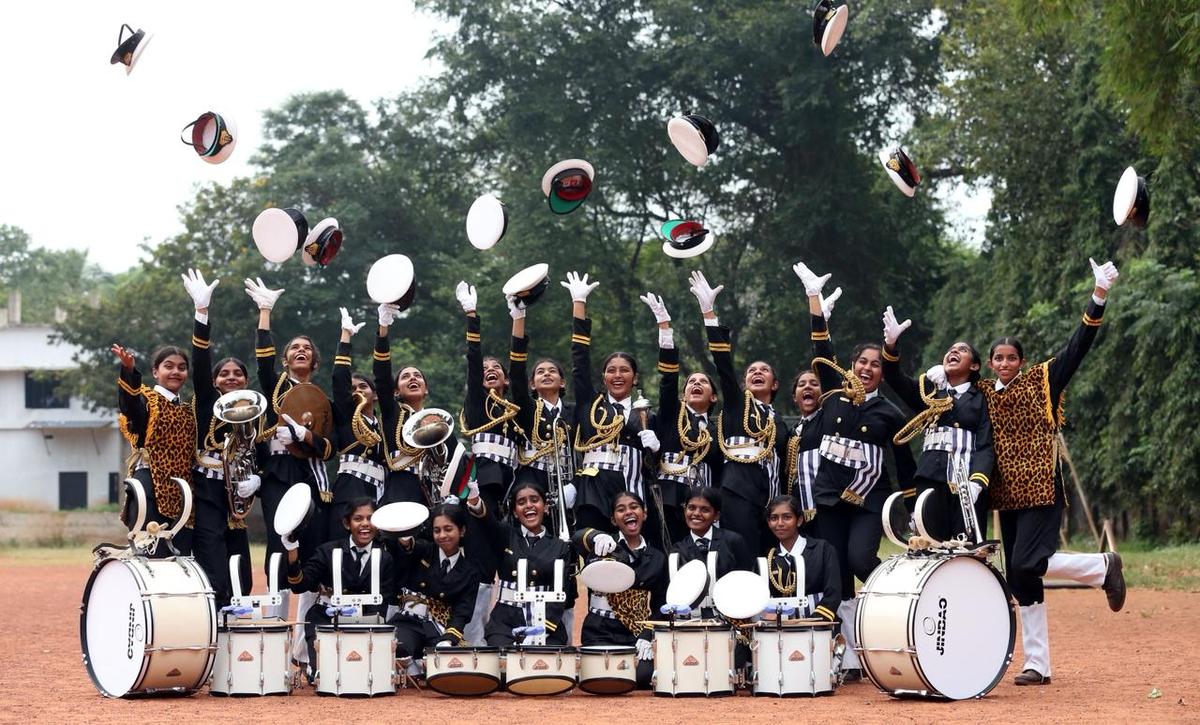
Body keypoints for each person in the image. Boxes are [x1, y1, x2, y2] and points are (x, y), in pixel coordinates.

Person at [979, 259, 1126, 686]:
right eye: (998, 358)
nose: (1005, 363)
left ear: (1022, 361)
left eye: (1012, 358)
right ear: (990, 364)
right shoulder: (984, 393)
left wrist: (1098, 295)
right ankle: (1038, 665)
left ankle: (1102, 566)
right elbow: (950, 391)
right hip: (1005, 496)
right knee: (1021, 576)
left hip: (1042, 488)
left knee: (1029, 561)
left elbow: (1079, 345)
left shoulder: (1042, 381)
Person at [794, 261, 916, 683]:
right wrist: (814, 301)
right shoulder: (832, 395)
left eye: (875, 364)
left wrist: (915, 507)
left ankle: (896, 605)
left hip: (867, 502)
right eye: (861, 362)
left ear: (883, 372)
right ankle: (849, 657)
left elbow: (904, 465)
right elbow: (820, 353)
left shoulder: (890, 412)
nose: (867, 369)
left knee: (860, 558)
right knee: (836, 573)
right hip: (828, 499)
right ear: (852, 366)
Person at [688, 271, 790, 555]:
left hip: (772, 495)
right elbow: (723, 364)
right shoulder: (736, 405)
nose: (757, 373)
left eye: (764, 370)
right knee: (742, 552)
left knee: (768, 555)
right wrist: (709, 314)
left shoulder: (779, 421)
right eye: (751, 371)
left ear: (775, 383)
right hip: (738, 490)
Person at [244, 277, 335, 574]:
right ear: (285, 360)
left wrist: (305, 435)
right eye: (294, 348)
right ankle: (276, 614)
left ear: (315, 363)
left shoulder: (322, 402)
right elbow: (263, 361)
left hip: (309, 473)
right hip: (278, 472)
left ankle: (310, 615)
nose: (300, 350)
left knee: (313, 542)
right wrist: (265, 312)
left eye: (306, 349)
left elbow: (327, 449)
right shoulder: (277, 386)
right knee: (279, 541)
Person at [880, 308, 993, 543]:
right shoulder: (929, 392)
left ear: (974, 366)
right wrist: (891, 345)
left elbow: (985, 445)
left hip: (965, 486)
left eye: (962, 350)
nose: (953, 351)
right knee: (930, 547)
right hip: (930, 481)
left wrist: (977, 482)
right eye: (950, 349)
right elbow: (894, 378)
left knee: (967, 549)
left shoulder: (983, 398)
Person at [563, 272, 660, 539]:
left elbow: (655, 462)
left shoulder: (645, 412)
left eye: (624, 370)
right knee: (595, 554)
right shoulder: (590, 404)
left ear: (635, 377)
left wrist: (656, 446)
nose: (618, 375)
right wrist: (579, 304)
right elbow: (579, 361)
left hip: (631, 491)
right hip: (592, 490)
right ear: (604, 376)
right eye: (611, 370)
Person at [182, 269, 256, 607]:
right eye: (224, 373)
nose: (230, 377)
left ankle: (239, 619)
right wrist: (202, 314)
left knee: (241, 566)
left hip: (237, 497)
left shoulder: (255, 411)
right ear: (214, 382)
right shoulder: (207, 404)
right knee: (212, 561)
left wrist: (256, 478)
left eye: (237, 373)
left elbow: (261, 454)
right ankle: (215, 620)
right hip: (209, 492)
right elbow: (199, 362)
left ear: (245, 379)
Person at [640, 291, 722, 547]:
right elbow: (666, 380)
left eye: (703, 381)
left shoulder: (720, 427)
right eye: (691, 382)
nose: (696, 383)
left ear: (714, 398)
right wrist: (665, 329)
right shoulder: (672, 416)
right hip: (668, 498)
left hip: (704, 504)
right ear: (682, 395)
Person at [284, 496, 396, 676]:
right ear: (347, 524)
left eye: (370, 518)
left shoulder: (385, 558)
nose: (365, 524)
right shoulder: (327, 551)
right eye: (358, 519)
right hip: (327, 616)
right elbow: (299, 585)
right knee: (324, 674)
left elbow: (384, 599)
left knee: (365, 674)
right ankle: (316, 667)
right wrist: (292, 550)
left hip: (366, 618)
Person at [113, 334, 196, 556]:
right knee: (151, 557)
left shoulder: (189, 411)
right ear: (155, 372)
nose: (176, 372)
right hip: (150, 489)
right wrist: (129, 372)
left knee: (181, 560)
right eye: (168, 366)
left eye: (181, 367)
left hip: (183, 496)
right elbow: (130, 406)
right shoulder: (147, 400)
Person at [574, 491, 668, 689]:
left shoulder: (658, 557)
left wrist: (647, 635)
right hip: (599, 629)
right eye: (620, 509)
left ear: (645, 513)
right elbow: (577, 537)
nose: (628, 512)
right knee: (599, 677)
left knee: (642, 677)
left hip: (635, 632)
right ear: (613, 519)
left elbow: (661, 604)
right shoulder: (603, 546)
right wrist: (595, 536)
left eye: (634, 507)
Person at [467, 481, 577, 646]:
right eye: (521, 502)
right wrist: (475, 501)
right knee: (503, 664)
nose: (528, 505)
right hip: (505, 623)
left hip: (546, 622)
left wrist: (543, 629)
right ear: (515, 512)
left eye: (534, 500)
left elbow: (562, 593)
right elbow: (488, 522)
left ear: (545, 507)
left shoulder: (560, 546)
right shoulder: (505, 535)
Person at [509, 295, 577, 530]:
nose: (546, 374)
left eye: (552, 371)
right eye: (540, 372)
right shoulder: (529, 411)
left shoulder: (574, 412)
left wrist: (574, 484)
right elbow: (516, 376)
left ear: (563, 382)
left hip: (569, 488)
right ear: (533, 385)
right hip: (533, 488)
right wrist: (519, 318)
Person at [455, 281, 522, 516]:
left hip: (515, 477)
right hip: (485, 475)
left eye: (496, 367)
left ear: (506, 380)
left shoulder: (515, 408)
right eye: (486, 368)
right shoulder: (477, 400)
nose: (490, 369)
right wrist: (471, 315)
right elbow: (473, 361)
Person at [387, 502, 483, 661]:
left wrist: (449, 639)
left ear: (462, 530)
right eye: (437, 530)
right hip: (410, 622)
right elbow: (410, 548)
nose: (442, 535)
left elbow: (462, 612)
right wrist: (405, 540)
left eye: (448, 529)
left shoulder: (470, 572)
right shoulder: (424, 550)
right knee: (400, 649)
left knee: (453, 661)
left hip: (440, 628)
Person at [329, 307, 388, 533]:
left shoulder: (385, 425)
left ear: (374, 394)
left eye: (363, 386)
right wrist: (345, 338)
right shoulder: (346, 415)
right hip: (349, 491)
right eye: (352, 388)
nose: (358, 391)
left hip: (379, 492)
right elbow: (338, 378)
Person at [373, 302, 439, 506]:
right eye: (405, 377)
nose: (412, 379)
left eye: (417, 376)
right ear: (396, 391)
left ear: (426, 388)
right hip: (400, 490)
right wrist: (383, 330)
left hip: (431, 494)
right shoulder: (393, 413)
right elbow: (382, 376)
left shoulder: (438, 421)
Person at [763, 495, 840, 622]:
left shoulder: (823, 549)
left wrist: (811, 622)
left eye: (787, 517)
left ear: (799, 520)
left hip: (820, 625)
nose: (780, 523)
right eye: (774, 518)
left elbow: (833, 593)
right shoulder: (768, 558)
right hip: (779, 629)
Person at [671, 486, 754, 586]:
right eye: (691, 508)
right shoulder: (678, 549)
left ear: (716, 516)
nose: (696, 513)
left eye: (705, 510)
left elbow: (748, 579)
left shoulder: (733, 541)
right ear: (685, 511)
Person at [784, 369, 825, 526]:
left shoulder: (828, 419)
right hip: (798, 502)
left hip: (825, 500)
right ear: (795, 397)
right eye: (802, 384)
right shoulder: (793, 430)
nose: (808, 387)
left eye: (814, 384)